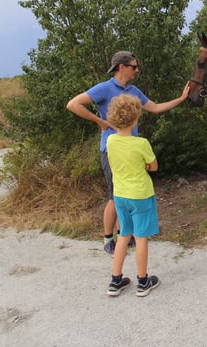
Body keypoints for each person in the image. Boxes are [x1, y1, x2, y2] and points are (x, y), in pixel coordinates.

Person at [66, 51, 190, 255]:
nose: (137, 70)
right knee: (114, 196)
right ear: (121, 67)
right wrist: (100, 122)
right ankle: (108, 240)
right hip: (111, 150)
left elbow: (156, 108)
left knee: (124, 194)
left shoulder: (134, 90)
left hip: (131, 151)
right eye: (134, 66)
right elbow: (73, 104)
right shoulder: (105, 88)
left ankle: (124, 234)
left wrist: (182, 98)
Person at [104, 94, 161, 297]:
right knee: (141, 238)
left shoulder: (110, 141)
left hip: (120, 196)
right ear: (136, 118)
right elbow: (153, 166)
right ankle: (143, 281)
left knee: (123, 235)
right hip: (140, 195)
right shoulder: (141, 143)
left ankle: (115, 280)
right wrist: (144, 164)